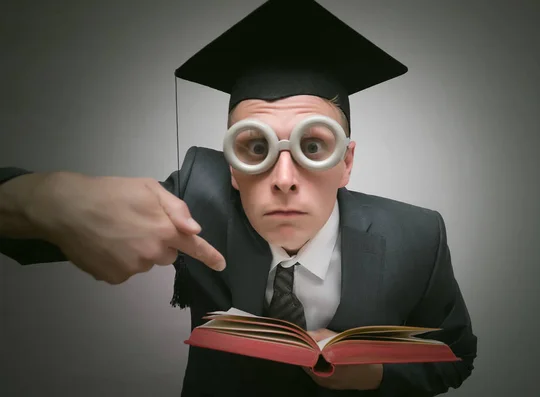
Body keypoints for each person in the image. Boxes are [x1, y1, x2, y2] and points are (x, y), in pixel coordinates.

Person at [0, 0, 477, 396]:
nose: (284, 177)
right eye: (256, 148)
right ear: (231, 165)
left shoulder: (416, 235)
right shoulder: (196, 203)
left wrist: (377, 375)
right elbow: (34, 224)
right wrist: (41, 200)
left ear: (346, 162)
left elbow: (456, 354)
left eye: (313, 147)